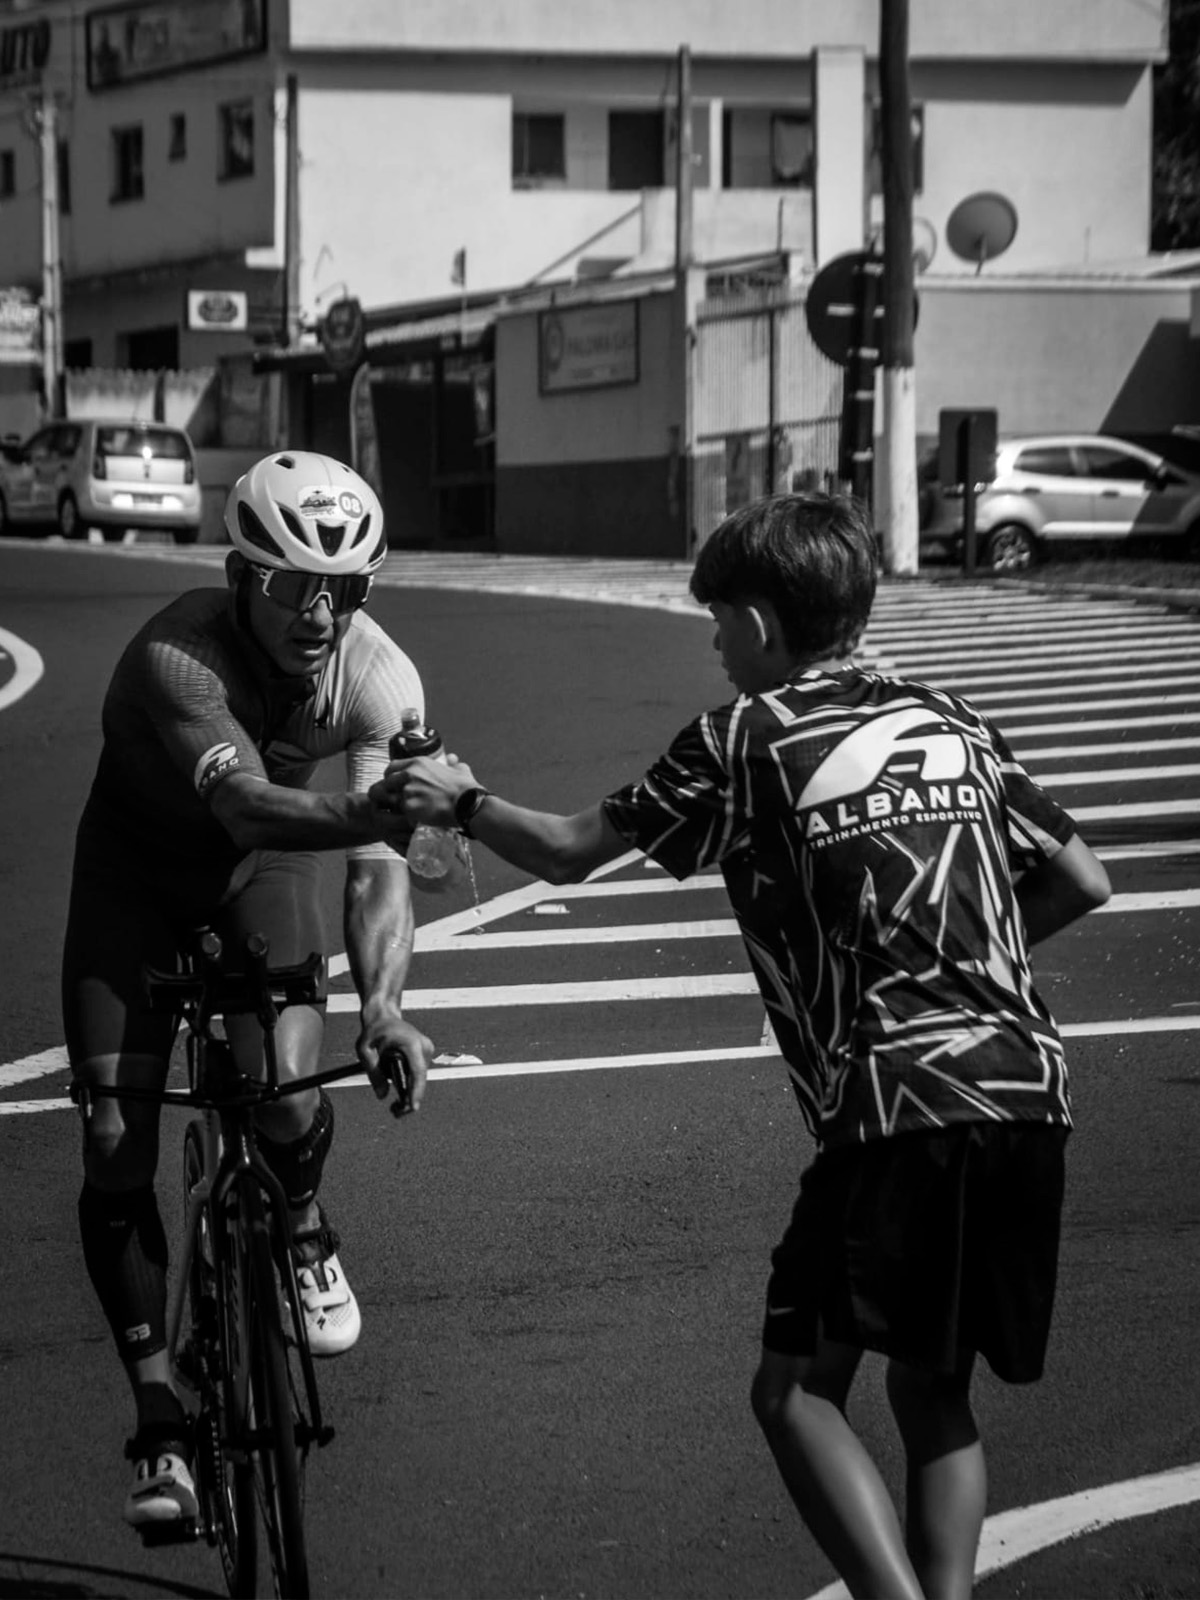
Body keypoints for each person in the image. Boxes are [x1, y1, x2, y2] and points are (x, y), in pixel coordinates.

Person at [379, 492, 1112, 1600]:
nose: (715, 646)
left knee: (795, 1394)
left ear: (763, 625)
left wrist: (463, 797)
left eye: (719, 621)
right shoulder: (951, 716)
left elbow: (574, 850)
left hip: (895, 1105)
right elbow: (1081, 877)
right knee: (932, 1387)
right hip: (1028, 1090)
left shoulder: (743, 736)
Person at [63, 450, 438, 1534]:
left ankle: (305, 1225)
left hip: (261, 874)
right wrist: (386, 816)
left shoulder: (380, 677)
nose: (320, 612)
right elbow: (257, 808)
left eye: (348, 588)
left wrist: (381, 1008)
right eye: (290, 586)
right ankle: (160, 1417)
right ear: (240, 573)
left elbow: (377, 870)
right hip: (138, 873)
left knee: (282, 1086)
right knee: (111, 1130)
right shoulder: (177, 658)